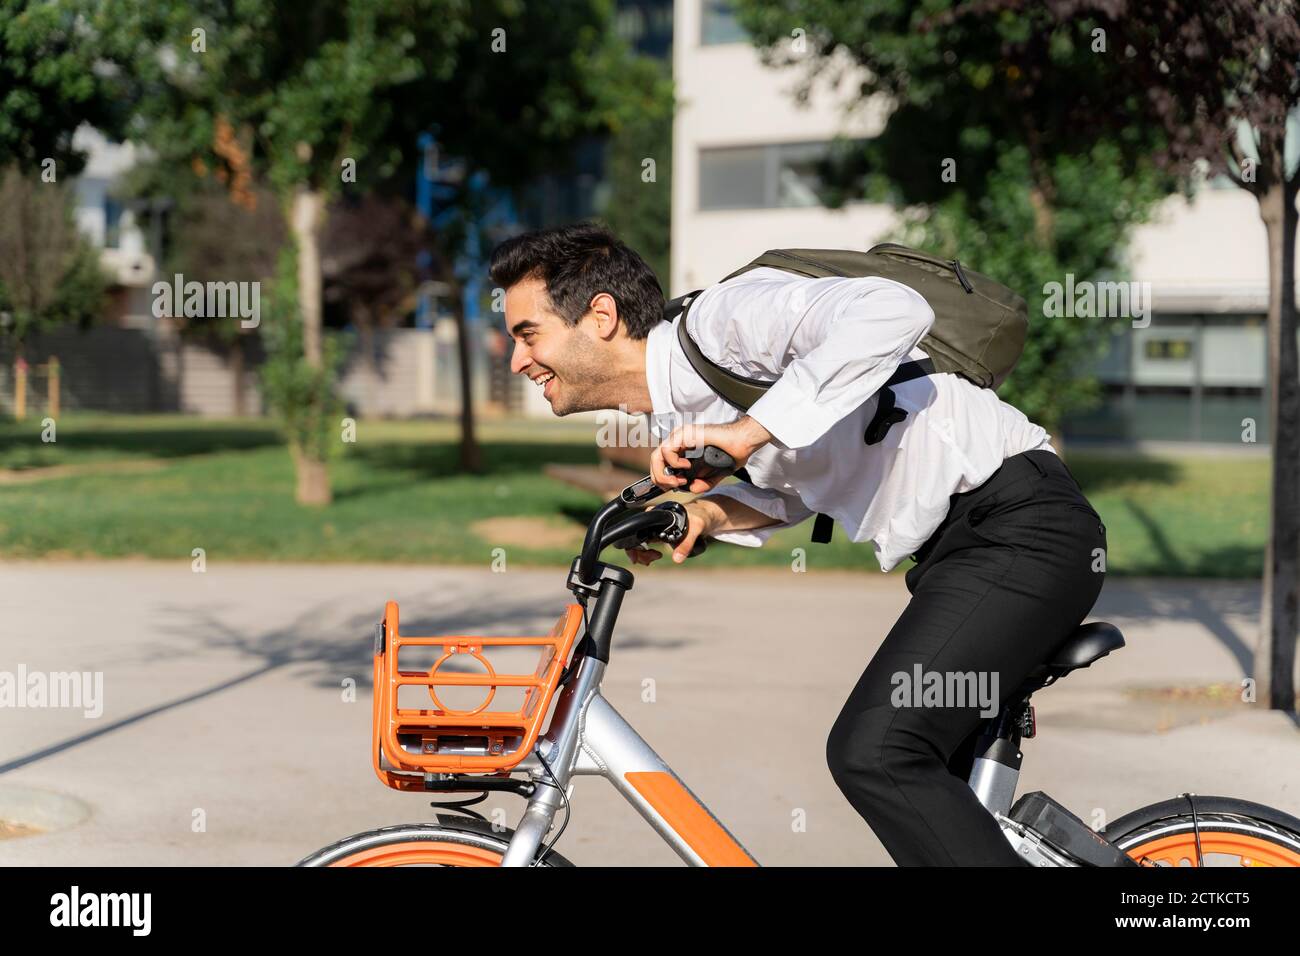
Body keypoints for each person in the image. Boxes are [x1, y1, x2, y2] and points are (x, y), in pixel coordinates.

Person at [489, 221, 1107, 866]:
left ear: (602, 316)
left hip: (1021, 529)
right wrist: (704, 516)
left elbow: (896, 310)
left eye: (529, 334)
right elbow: (797, 489)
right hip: (961, 551)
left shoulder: (724, 322)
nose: (517, 361)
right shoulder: (675, 411)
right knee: (929, 819)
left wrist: (751, 433)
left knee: (877, 753)